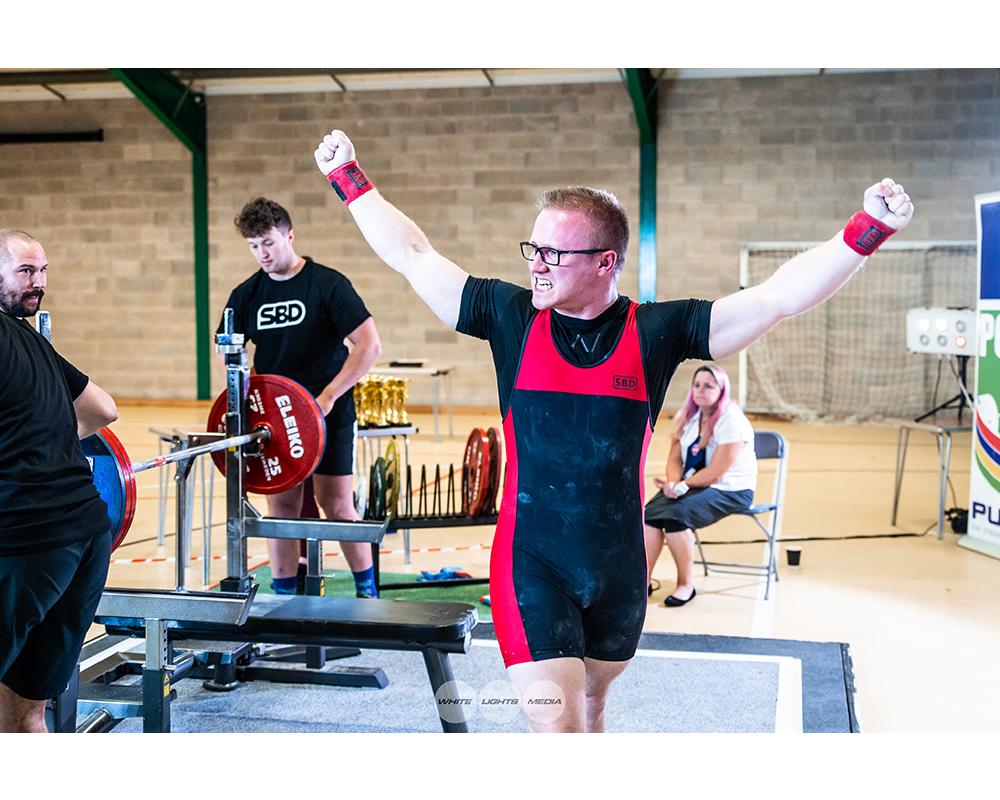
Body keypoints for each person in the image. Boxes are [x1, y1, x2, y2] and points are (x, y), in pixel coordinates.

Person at [313, 129, 914, 732]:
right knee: (560, 730)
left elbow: (778, 297)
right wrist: (348, 178)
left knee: (595, 711)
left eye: (554, 253)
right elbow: (414, 254)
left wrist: (867, 230)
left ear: (605, 261)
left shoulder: (659, 331)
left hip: (620, 567)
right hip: (531, 563)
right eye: (533, 249)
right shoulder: (508, 316)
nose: (536, 264)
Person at [219, 198, 383, 597]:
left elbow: (369, 346)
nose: (262, 253)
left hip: (331, 409)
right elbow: (233, 358)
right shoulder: (245, 296)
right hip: (277, 419)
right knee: (282, 508)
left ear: (290, 236)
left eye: (269, 243)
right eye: (254, 246)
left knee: (337, 505)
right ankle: (284, 599)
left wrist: (327, 397)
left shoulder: (328, 284)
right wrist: (244, 404)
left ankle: (368, 594)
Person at [0, 229, 119, 732]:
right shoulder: (29, 340)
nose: (40, 282)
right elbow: (102, 410)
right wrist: (43, 446)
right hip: (89, 538)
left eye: (42, 270)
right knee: (26, 707)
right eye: (27, 271)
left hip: (32, 542)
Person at [643, 364, 756, 606]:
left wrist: (683, 486)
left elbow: (717, 472)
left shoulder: (731, 419)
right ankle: (642, 582)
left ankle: (685, 585)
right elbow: (675, 457)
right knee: (649, 514)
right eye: (696, 385)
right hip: (693, 485)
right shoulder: (689, 416)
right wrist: (673, 482)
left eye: (708, 386)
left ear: (722, 390)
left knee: (676, 517)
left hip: (730, 489)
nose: (700, 390)